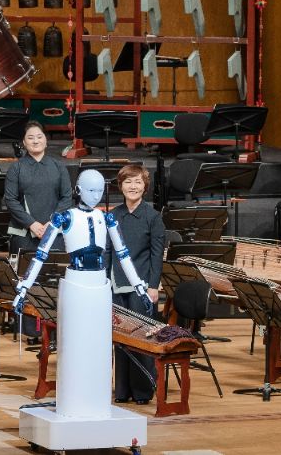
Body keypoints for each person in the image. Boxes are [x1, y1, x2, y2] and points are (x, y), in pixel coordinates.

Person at [13, 169, 153, 420]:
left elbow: (123, 255)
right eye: (90, 190)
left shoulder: (107, 219)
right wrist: (24, 287)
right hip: (76, 283)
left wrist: (139, 285)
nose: (96, 195)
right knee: (75, 346)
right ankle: (74, 401)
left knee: (99, 348)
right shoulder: (64, 218)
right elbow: (41, 254)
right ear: (78, 189)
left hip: (100, 285)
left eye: (100, 190)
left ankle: (96, 401)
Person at [109, 165, 164, 405]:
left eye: (138, 182)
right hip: (115, 285)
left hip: (141, 287)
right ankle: (122, 391)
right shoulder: (113, 215)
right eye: (128, 182)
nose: (133, 186)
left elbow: (156, 255)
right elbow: (108, 251)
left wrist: (153, 287)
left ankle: (142, 391)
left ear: (145, 186)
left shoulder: (153, 217)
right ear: (120, 186)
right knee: (120, 339)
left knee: (140, 339)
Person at [3, 121, 73, 253]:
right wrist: (31, 224)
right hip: (23, 232)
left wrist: (52, 223)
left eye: (39, 137)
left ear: (46, 141)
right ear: (24, 143)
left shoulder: (59, 166)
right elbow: (10, 200)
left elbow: (67, 197)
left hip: (54, 230)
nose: (35, 141)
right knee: (22, 272)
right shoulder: (16, 168)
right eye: (30, 138)